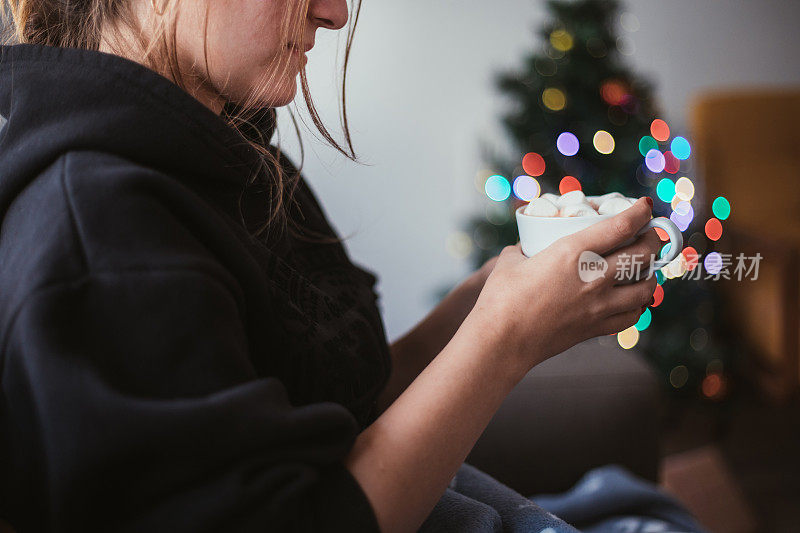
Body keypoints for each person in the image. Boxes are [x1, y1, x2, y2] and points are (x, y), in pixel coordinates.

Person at [0, 1, 700, 532]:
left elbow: (344, 398)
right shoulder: (102, 235)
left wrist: (487, 297)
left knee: (642, 504)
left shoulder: (232, 156)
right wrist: (503, 339)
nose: (334, 11)